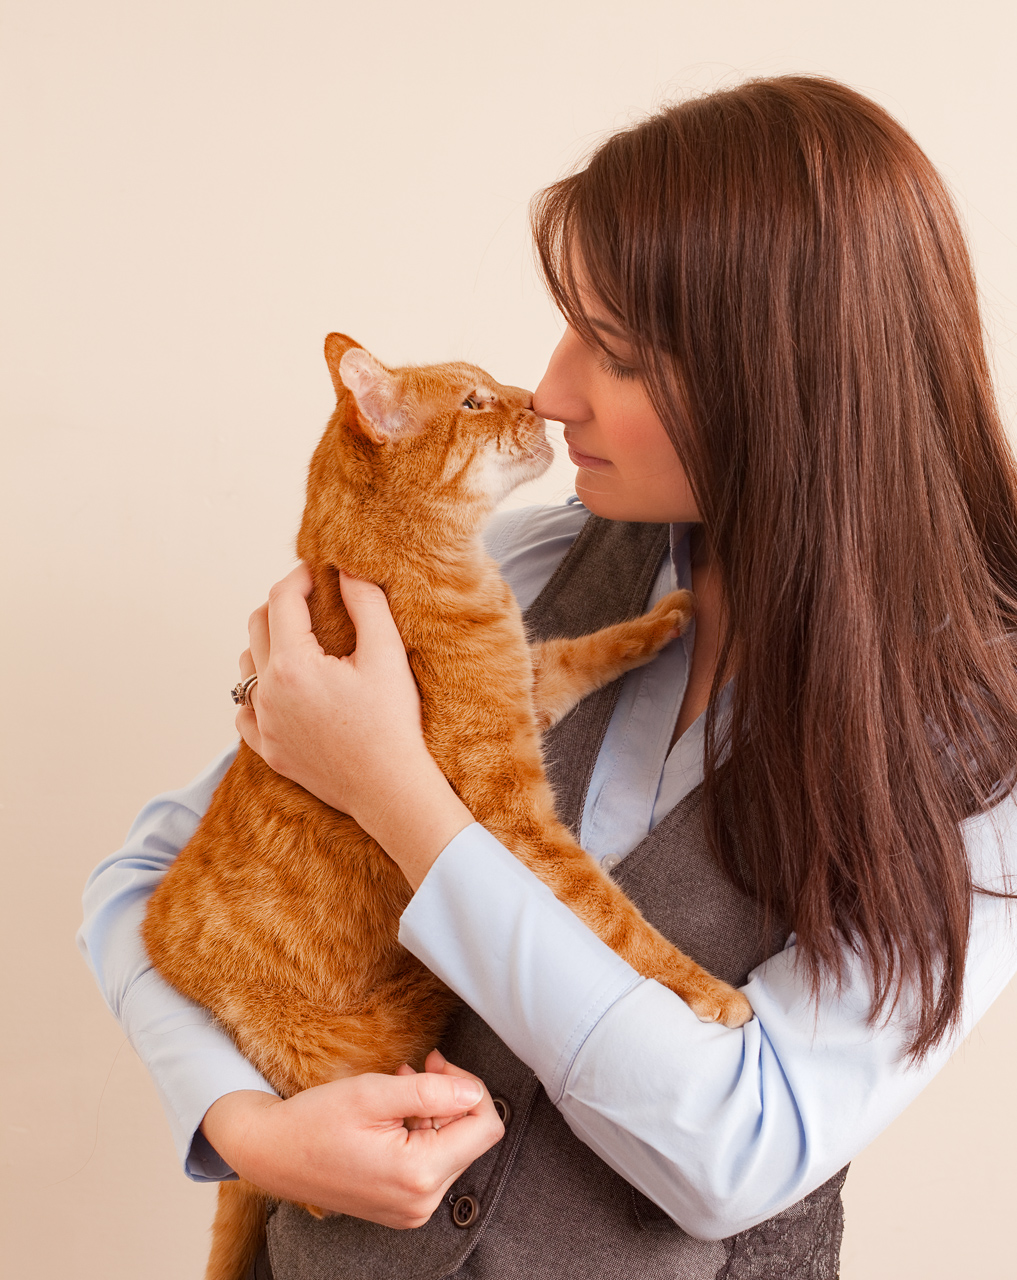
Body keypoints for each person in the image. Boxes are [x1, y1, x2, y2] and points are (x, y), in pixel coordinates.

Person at [79, 75, 1017, 1278]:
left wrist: (394, 790)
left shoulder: (979, 733)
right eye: (570, 325)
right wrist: (248, 1127)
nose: (553, 392)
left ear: (786, 381)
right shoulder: (519, 565)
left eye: (615, 352)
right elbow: (144, 881)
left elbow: (737, 1147)